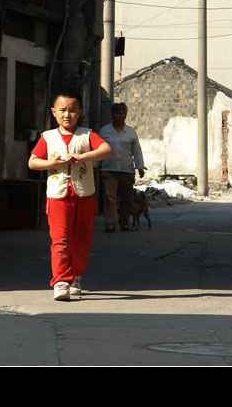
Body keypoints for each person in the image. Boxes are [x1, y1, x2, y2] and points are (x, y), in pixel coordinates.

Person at [29, 88, 113, 301]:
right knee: (61, 239)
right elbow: (33, 162)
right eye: (63, 110)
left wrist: (83, 156)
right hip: (58, 196)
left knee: (82, 239)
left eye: (73, 110)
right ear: (54, 112)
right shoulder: (47, 137)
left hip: (85, 194)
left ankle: (76, 276)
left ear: (80, 112)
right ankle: (60, 281)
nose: (67, 115)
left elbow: (107, 150)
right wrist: (54, 163)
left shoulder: (87, 134)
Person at [99, 103, 145, 232]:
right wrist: (95, 165)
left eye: (121, 113)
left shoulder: (131, 132)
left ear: (125, 115)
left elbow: (137, 151)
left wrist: (140, 166)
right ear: (112, 115)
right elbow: (97, 148)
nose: (118, 116)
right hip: (108, 169)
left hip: (126, 170)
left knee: (127, 198)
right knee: (109, 198)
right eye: (116, 113)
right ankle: (110, 223)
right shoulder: (104, 131)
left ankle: (124, 222)